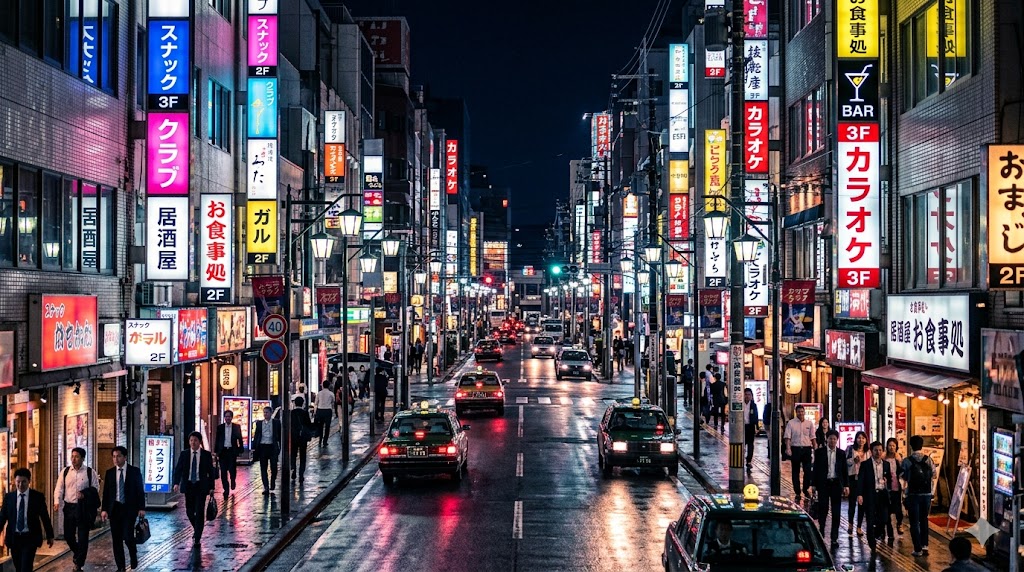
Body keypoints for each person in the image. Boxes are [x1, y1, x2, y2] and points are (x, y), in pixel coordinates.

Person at [53, 446, 100, 572]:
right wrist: (56, 501)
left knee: (83, 536)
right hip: (69, 507)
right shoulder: (65, 471)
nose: (73, 459)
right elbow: (59, 487)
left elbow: (96, 488)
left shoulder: (90, 472)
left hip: (83, 508)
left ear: (83, 458)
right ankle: (78, 553)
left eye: (76, 456)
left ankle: (79, 563)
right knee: (68, 536)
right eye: (72, 456)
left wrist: (85, 494)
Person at [101, 446, 145, 572]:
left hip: (129, 509)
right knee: (116, 539)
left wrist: (141, 508)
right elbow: (106, 493)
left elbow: (139, 491)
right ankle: (120, 567)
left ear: (125, 457)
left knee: (127, 536)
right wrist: (104, 509)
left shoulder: (134, 471)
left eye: (118, 456)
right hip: (114, 509)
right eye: (114, 456)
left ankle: (133, 554)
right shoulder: (110, 473)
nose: (116, 459)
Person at [1, 468, 54, 572]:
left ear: (29, 481)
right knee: (18, 567)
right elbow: (2, 517)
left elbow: (45, 517)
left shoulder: (37, 497)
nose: (20, 485)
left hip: (30, 538)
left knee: (26, 567)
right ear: (14, 481)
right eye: (18, 482)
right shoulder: (9, 498)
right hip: (14, 538)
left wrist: (50, 535)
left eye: (24, 482)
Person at [171, 432, 216, 546]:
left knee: (200, 511)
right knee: (189, 511)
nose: (193, 442)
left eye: (195, 440)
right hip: (189, 485)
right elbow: (178, 469)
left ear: (200, 442)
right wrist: (176, 483)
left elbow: (210, 472)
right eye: (191, 440)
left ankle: (197, 536)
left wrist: (211, 487)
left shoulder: (206, 455)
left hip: (201, 486)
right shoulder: (184, 454)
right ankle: (197, 528)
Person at [809, 430, 848, 545]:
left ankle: (834, 537)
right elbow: (815, 469)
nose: (832, 441)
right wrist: (814, 484)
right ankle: (821, 532)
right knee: (823, 509)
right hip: (823, 484)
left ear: (837, 440)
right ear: (827, 439)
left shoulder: (841, 453)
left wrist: (846, 485)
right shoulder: (820, 452)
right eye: (830, 438)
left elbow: (844, 470)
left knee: (836, 512)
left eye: (834, 439)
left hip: (836, 484)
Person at [901, 434, 936, 556]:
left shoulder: (907, 461)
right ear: (922, 446)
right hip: (926, 494)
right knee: (924, 519)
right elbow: (934, 474)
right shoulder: (928, 459)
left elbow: (902, 477)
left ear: (911, 446)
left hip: (913, 494)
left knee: (914, 522)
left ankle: (917, 549)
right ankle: (925, 546)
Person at [856, 441, 891, 552]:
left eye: (880, 450)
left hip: (882, 494)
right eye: (876, 450)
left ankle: (877, 533)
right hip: (870, 495)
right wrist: (860, 494)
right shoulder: (865, 464)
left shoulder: (886, 464)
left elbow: (889, 478)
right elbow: (860, 480)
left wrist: (886, 480)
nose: (878, 452)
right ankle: (872, 543)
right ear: (871, 451)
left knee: (884, 518)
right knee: (870, 519)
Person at [783, 404, 816, 502]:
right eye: (799, 411)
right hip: (795, 448)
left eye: (802, 411)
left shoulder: (809, 423)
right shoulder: (791, 423)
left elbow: (812, 437)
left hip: (807, 448)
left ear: (804, 412)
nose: (801, 413)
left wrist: (816, 448)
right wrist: (788, 448)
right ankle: (797, 491)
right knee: (795, 471)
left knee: (807, 470)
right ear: (796, 412)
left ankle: (805, 488)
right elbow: (787, 437)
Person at [213, 410, 243, 499]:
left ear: (232, 417)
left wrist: (240, 449)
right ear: (224, 417)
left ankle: (233, 480)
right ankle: (226, 489)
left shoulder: (236, 427)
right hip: (223, 452)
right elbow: (217, 439)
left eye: (229, 416)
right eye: (226, 416)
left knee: (232, 469)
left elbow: (240, 439)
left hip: (232, 451)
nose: (227, 418)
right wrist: (216, 451)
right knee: (223, 471)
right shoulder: (220, 427)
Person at [253, 406, 281, 495]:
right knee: (263, 468)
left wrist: (279, 446)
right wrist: (255, 447)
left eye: (267, 412)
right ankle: (266, 486)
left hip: (272, 447)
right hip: (262, 447)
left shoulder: (276, 422)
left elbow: (279, 435)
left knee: (274, 467)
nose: (265, 414)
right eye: (264, 412)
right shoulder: (259, 423)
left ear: (271, 413)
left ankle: (273, 481)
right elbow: (257, 435)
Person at [846, 430, 869, 536]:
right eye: (859, 438)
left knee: (862, 504)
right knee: (852, 503)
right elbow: (845, 463)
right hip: (853, 479)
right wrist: (853, 461)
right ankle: (850, 525)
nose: (861, 440)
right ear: (855, 439)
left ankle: (859, 527)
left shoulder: (868, 451)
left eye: (863, 438)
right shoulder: (850, 449)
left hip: (864, 481)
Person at [883, 437, 904, 541]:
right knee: (886, 507)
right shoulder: (883, 457)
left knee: (898, 507)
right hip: (885, 485)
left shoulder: (899, 458)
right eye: (890, 445)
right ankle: (889, 528)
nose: (891, 448)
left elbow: (901, 472)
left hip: (896, 485)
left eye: (893, 446)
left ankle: (899, 524)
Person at [290, 396, 314, 481]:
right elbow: (308, 425)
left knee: (293, 454)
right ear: (302, 403)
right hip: (303, 437)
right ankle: (301, 474)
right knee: (303, 455)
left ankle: (293, 469)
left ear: (294, 403)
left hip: (293, 437)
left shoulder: (291, 413)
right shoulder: (305, 413)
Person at [314, 380, 335, 448]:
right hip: (328, 410)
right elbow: (333, 402)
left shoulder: (319, 393)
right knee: (327, 427)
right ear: (329, 386)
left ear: (322, 385)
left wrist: (315, 412)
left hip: (320, 410)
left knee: (320, 426)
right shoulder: (331, 394)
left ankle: (320, 440)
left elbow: (316, 403)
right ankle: (325, 441)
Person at [742, 388, 759, 470]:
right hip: (741, 427)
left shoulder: (753, 405)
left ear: (752, 396)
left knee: (750, 444)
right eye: (746, 394)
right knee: (742, 444)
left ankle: (749, 461)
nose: (747, 396)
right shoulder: (740, 404)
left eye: (749, 395)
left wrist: (757, 427)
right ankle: (740, 459)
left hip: (750, 426)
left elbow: (756, 416)